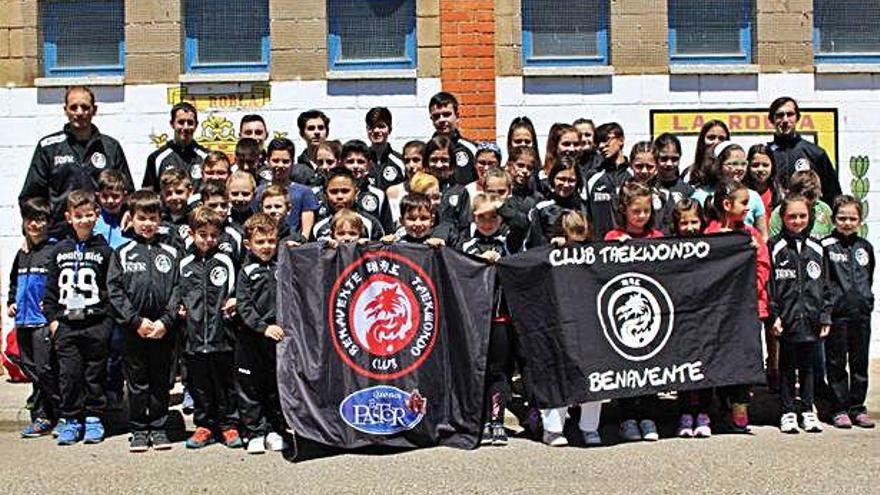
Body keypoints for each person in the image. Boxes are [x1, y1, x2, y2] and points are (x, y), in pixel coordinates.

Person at [106, 190, 179, 452]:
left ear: (160, 219)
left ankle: (158, 428)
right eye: (142, 218)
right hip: (133, 330)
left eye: (152, 218)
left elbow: (178, 288)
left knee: (161, 380)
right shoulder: (122, 252)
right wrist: (135, 321)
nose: (147, 223)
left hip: (163, 331)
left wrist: (166, 321)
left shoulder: (171, 251)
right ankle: (138, 428)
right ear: (132, 219)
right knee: (136, 381)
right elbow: (114, 290)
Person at [43, 190, 115, 445]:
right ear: (68, 217)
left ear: (96, 216)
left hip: (96, 323)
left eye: (88, 215)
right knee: (69, 375)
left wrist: (106, 322)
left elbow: (111, 288)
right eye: (78, 215)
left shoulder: (105, 251)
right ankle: (71, 418)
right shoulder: (59, 249)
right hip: (66, 324)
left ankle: (94, 417)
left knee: (94, 374)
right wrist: (53, 320)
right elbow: (50, 288)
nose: (83, 220)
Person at [457, 192, 527, 446]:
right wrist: (476, 262)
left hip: (500, 318)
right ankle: (477, 419)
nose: (488, 222)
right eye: (482, 217)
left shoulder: (508, 242)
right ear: (473, 218)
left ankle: (496, 421)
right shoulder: (464, 245)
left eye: (493, 217)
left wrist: (500, 206)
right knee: (477, 370)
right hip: (473, 321)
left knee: (499, 371)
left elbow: (522, 223)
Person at [19, 86, 133, 238]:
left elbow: (128, 192)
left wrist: (127, 213)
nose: (79, 112)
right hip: (59, 235)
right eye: (73, 107)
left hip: (103, 235)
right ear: (65, 110)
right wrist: (32, 235)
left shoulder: (110, 147)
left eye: (85, 107)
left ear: (94, 110)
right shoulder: (48, 147)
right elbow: (31, 196)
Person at [703, 179, 771, 433]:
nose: (747, 208)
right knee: (718, 356)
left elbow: (763, 268)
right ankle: (719, 405)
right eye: (743, 203)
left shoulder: (752, 235)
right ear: (726, 204)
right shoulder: (709, 234)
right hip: (717, 311)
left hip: (746, 309)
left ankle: (740, 405)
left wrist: (751, 254)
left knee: (744, 357)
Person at [177, 206, 242, 449]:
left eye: (214, 234)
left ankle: (228, 425)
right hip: (193, 336)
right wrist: (179, 308)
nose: (208, 239)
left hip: (222, 335)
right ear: (192, 234)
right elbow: (178, 293)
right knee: (199, 384)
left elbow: (235, 291)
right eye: (203, 234)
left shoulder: (225, 261)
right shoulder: (184, 262)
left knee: (225, 383)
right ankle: (204, 425)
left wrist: (235, 301)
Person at [768, 194, 832, 434]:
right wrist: (774, 315)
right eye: (791, 216)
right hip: (787, 319)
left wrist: (825, 315)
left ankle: (807, 409)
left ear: (810, 217)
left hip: (812, 319)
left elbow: (826, 286)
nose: (797, 221)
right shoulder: (775, 247)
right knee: (787, 367)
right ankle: (787, 412)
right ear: (782, 218)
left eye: (802, 216)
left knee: (809, 367)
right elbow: (770, 285)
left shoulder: (818, 247)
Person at [540, 209, 604, 447]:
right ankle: (553, 429)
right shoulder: (548, 253)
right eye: (570, 238)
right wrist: (554, 249)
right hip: (558, 320)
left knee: (594, 372)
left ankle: (589, 427)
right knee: (558, 372)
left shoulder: (594, 254)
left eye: (580, 238)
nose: (575, 244)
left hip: (589, 319)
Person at [604, 181, 663, 441]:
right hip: (623, 310)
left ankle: (649, 416)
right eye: (636, 211)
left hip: (653, 312)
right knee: (624, 364)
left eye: (646, 211)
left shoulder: (658, 239)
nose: (642, 216)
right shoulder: (612, 238)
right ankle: (627, 417)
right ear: (624, 210)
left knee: (652, 364)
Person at [236, 213, 289, 454]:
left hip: (278, 340)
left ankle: (275, 430)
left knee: (274, 387)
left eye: (271, 241)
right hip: (251, 339)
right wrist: (262, 327)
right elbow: (243, 305)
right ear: (248, 245)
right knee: (250, 388)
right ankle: (254, 432)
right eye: (261, 242)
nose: (267, 246)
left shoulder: (283, 267)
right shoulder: (246, 272)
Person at [822, 196, 875, 429]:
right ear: (834, 219)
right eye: (842, 218)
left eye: (852, 218)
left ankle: (857, 407)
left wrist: (866, 301)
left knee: (859, 362)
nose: (847, 222)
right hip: (836, 316)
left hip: (861, 314)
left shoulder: (865, 247)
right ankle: (839, 408)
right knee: (836, 362)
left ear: (860, 220)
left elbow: (869, 275)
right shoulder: (825, 246)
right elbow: (823, 281)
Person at [8, 198, 59, 438]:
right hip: (23, 321)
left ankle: (55, 414)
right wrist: (11, 302)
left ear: (48, 223)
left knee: (45, 370)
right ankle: (43, 414)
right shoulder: (21, 253)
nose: (35, 225)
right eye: (31, 219)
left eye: (41, 220)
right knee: (30, 368)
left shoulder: (54, 250)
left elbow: (59, 282)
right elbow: (14, 282)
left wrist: (52, 305)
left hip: (42, 321)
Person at [767, 96, 841, 204]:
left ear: (797, 118)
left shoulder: (816, 153)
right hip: (774, 218)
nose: (785, 120)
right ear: (771, 120)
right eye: (779, 115)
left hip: (807, 218)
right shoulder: (766, 155)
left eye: (790, 114)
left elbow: (833, 195)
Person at [257, 138, 318, 238]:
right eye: (275, 161)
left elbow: (306, 232)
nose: (280, 165)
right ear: (268, 161)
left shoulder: (304, 192)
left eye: (285, 161)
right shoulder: (259, 191)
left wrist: (300, 242)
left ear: (293, 162)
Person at [142, 102, 208, 192]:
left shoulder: (206, 157)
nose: (185, 127)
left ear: (196, 125)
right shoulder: (156, 158)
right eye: (181, 122)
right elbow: (148, 195)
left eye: (190, 122)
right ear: (172, 124)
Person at [583, 123, 630, 240]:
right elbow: (584, 216)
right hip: (600, 248)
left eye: (606, 140)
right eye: (598, 142)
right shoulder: (592, 177)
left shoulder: (634, 174)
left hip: (631, 247)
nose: (601, 146)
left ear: (621, 140)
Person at [311, 168, 384, 242]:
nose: (339, 196)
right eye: (334, 192)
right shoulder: (318, 227)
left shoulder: (370, 224)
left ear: (356, 192)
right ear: (325, 194)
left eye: (345, 191)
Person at [528, 156, 586, 247]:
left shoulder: (584, 207)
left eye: (571, 180)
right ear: (552, 179)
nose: (566, 185)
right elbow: (536, 244)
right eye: (561, 179)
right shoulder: (542, 209)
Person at [428, 92, 478, 185]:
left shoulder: (472, 149)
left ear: (457, 116)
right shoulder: (426, 151)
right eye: (436, 116)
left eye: (446, 114)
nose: (441, 120)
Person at [769, 169, 834, 240]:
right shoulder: (779, 212)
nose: (808, 202)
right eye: (805, 196)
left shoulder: (824, 209)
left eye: (812, 197)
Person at [380, 193, 446, 247]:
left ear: (432, 221)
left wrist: (441, 248)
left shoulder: (435, 244)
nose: (418, 224)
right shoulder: (394, 243)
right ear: (401, 221)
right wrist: (383, 244)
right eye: (412, 219)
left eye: (424, 219)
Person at [365, 107, 406, 191]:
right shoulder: (360, 161)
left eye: (381, 126)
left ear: (390, 130)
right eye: (371, 126)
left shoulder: (400, 161)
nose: (376, 130)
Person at [385, 140, 426, 224]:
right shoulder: (393, 192)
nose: (410, 166)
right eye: (407, 161)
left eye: (416, 160)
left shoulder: (435, 190)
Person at [93, 169, 131, 250]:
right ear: (98, 195)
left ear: (125, 196)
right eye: (105, 196)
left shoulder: (132, 220)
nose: (110, 201)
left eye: (115, 196)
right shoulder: (93, 220)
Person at [685, 119, 729, 186]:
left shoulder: (735, 175)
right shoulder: (688, 174)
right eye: (711, 137)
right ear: (702, 141)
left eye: (722, 139)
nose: (716, 142)